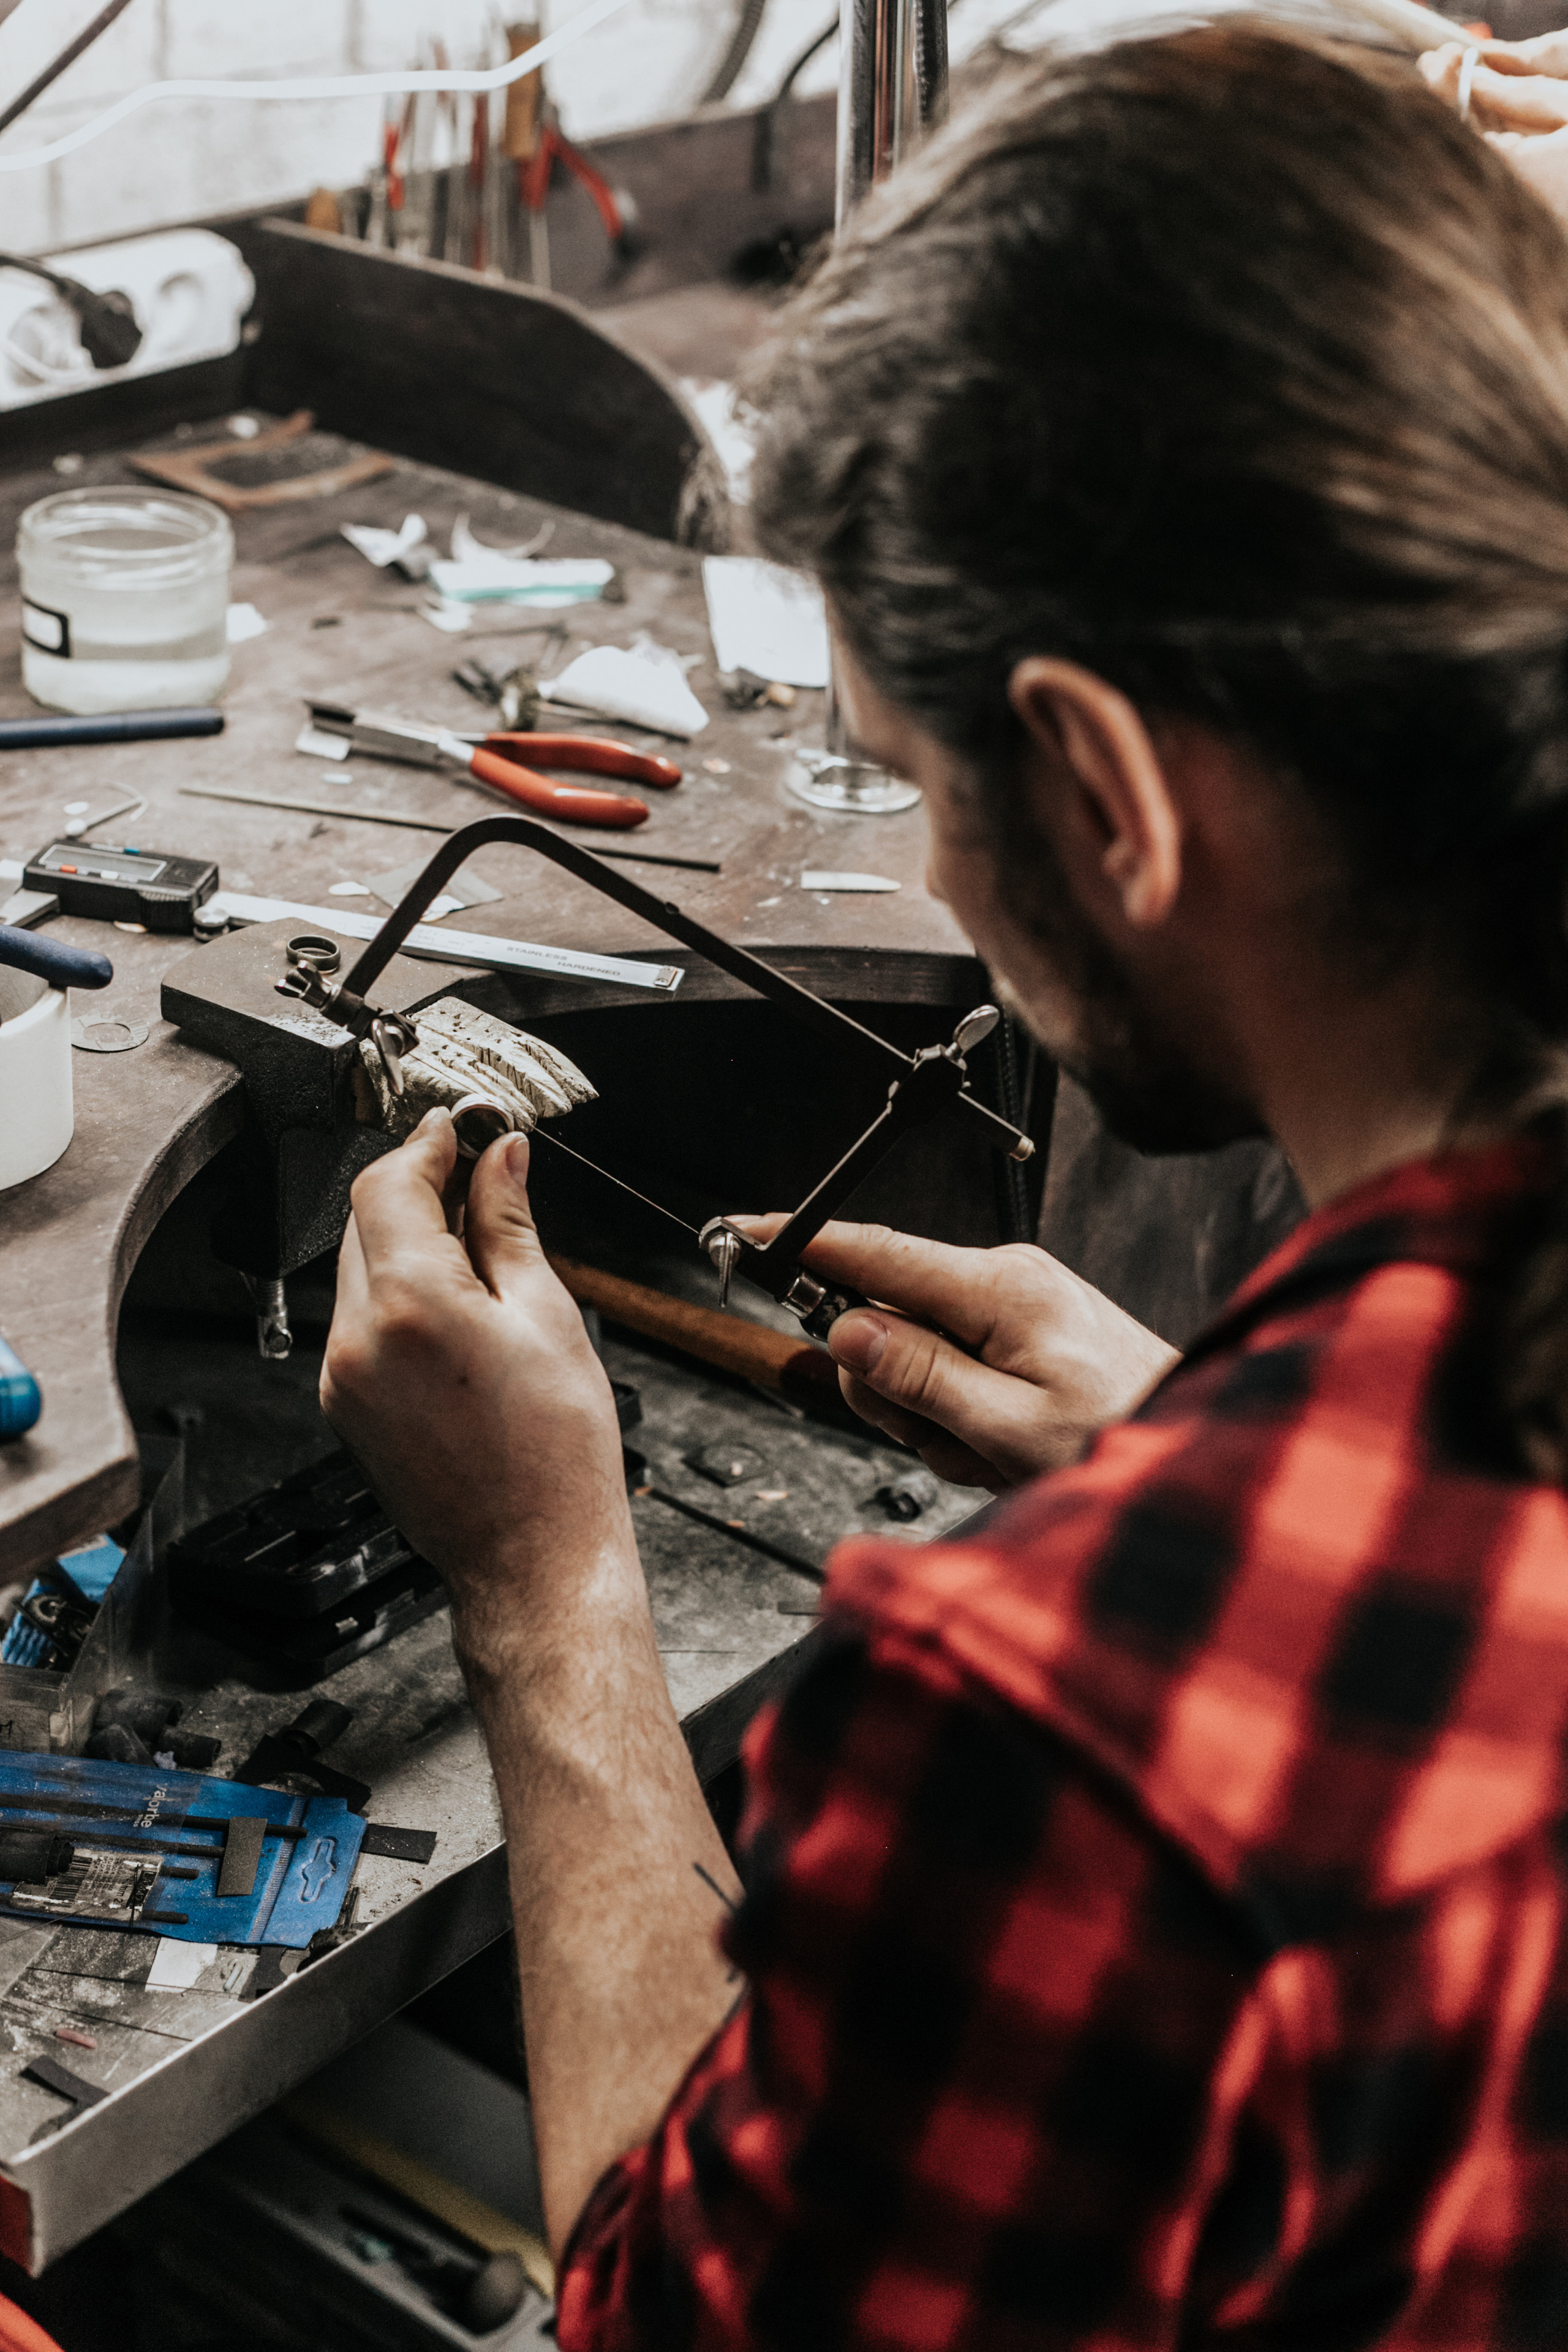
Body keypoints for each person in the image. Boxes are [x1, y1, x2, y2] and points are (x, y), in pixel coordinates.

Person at [322, 26, 1568, 2348]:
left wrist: (542, 1577)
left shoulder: (1057, 1730)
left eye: (916, 775)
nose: (915, 860)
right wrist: (1198, 1452)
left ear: (1103, 784)